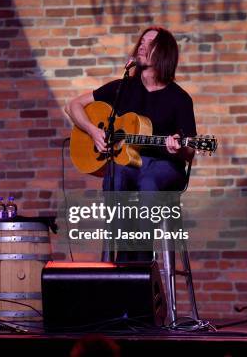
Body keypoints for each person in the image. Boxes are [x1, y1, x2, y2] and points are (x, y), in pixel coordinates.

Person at [65, 26, 196, 261]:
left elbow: (190, 152)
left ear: (164, 53)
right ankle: (119, 262)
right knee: (116, 175)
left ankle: (141, 265)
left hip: (165, 167)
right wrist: (93, 131)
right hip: (132, 164)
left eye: (150, 43)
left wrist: (178, 148)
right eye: (141, 41)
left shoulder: (180, 98)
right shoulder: (123, 87)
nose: (142, 46)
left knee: (148, 180)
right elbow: (73, 105)